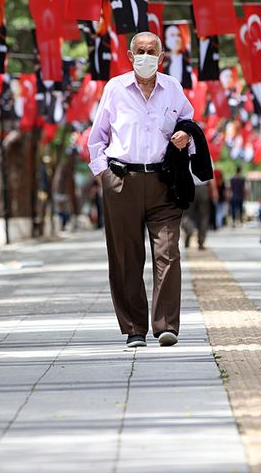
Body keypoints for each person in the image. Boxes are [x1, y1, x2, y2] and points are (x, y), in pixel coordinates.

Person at [88, 31, 195, 348]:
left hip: (164, 182)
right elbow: (98, 138)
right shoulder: (115, 89)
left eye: (152, 51)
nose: (146, 56)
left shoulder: (173, 89)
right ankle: (135, 328)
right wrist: (104, 175)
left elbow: (190, 123)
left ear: (162, 58)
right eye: (141, 50)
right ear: (129, 55)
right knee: (125, 258)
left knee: (168, 253)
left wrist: (185, 137)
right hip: (122, 180)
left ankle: (166, 325)